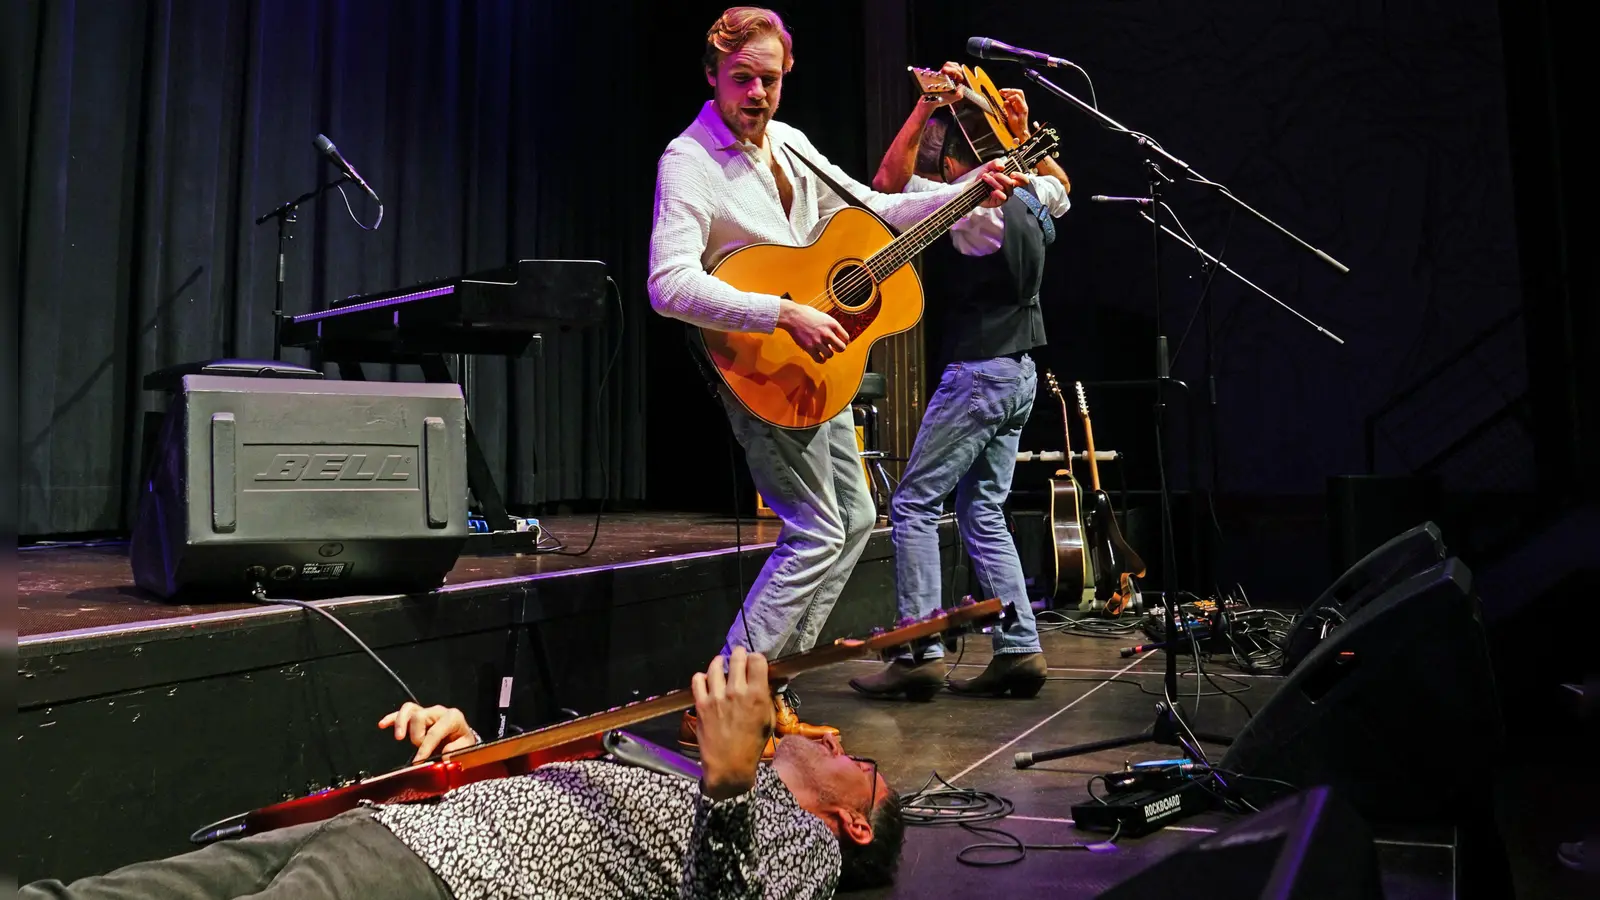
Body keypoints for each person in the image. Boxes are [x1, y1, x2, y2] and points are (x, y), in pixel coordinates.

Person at [648, 9, 1023, 745]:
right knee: (817, 528)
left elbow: (878, 210)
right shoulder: (687, 160)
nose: (757, 93)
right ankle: (722, 702)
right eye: (742, 78)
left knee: (851, 522)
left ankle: (768, 689)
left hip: (817, 365)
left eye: (770, 77)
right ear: (711, 75)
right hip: (762, 364)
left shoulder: (787, 143)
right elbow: (668, 284)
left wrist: (967, 190)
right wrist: (781, 312)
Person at [21, 649, 905, 899]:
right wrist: (476, 752)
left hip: (447, 875)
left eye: (854, 763)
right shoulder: (671, 776)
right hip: (405, 824)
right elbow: (557, 805)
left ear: (853, 821)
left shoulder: (804, 852)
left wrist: (731, 785)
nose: (834, 740)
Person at [849, 65, 1071, 701]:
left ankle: (918, 650)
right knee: (982, 507)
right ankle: (1019, 648)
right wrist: (1025, 133)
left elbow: (886, 184)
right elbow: (1063, 185)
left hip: (978, 370)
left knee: (915, 503)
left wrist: (923, 110)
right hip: (1023, 370)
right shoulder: (1028, 189)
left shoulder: (970, 198)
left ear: (952, 160)